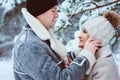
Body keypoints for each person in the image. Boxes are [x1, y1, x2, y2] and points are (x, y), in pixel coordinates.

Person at [12, 0, 101, 80]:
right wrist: (85, 56)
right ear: (39, 13)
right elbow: (61, 78)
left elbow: (51, 60)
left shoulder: (39, 36)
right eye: (53, 10)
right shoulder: (29, 46)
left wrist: (76, 54)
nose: (57, 15)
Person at [75, 11, 120, 80]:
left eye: (85, 32)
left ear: (96, 38)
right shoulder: (83, 58)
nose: (79, 36)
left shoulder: (105, 66)